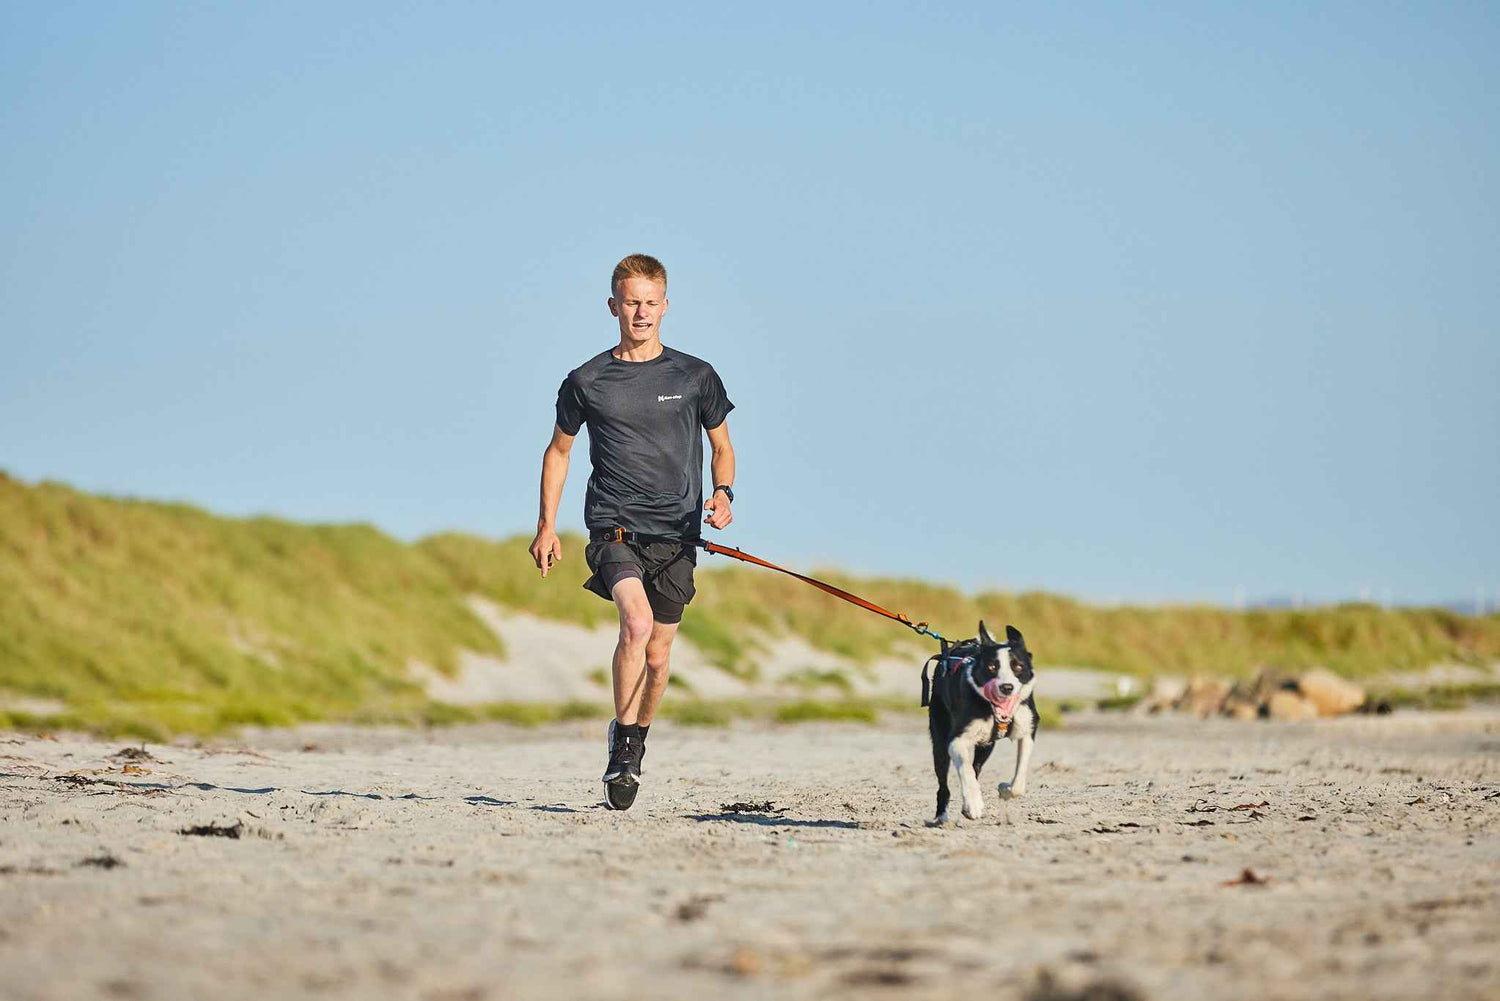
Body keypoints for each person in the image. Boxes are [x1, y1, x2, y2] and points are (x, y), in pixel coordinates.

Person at [529, 253, 736, 810]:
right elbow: (558, 453)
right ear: (612, 306)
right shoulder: (586, 381)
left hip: (679, 531)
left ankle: (638, 738)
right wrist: (546, 526)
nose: (640, 312)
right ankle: (621, 742)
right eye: (630, 302)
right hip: (614, 525)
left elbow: (721, 448)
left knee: (661, 657)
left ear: (665, 306)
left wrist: (723, 494)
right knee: (636, 625)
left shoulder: (695, 376)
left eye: (650, 302)